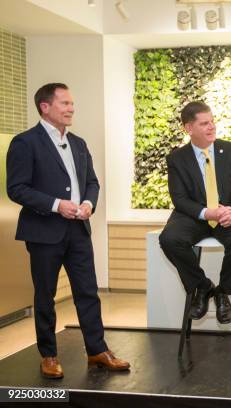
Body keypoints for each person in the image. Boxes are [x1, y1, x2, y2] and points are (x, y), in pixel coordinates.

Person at [6, 83, 130, 379]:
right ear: (45, 107)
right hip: (43, 232)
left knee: (88, 292)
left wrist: (88, 203)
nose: (71, 108)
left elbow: (92, 183)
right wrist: (55, 204)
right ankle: (48, 355)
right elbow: (16, 188)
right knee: (45, 296)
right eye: (64, 103)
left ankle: (97, 350)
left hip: (78, 230)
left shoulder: (78, 142)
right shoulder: (25, 142)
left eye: (72, 103)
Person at [159, 102, 231, 324]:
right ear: (189, 128)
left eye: (212, 121)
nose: (211, 127)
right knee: (169, 239)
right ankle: (202, 287)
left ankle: (223, 291)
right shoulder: (176, 159)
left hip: (228, 214)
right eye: (204, 123)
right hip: (195, 215)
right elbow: (180, 199)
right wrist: (207, 213)